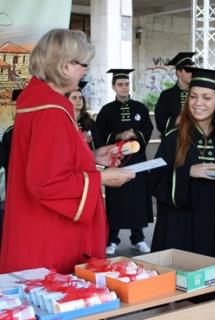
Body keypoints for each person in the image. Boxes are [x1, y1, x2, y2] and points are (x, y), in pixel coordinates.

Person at [0, 29, 135, 274]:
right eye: (83, 64)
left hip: (31, 223)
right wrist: (103, 178)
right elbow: (47, 182)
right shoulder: (53, 108)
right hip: (51, 232)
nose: (85, 71)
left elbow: (44, 159)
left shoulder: (33, 98)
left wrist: (92, 157)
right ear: (64, 66)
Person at [150, 67, 215, 262]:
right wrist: (188, 171)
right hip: (178, 230)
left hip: (214, 230)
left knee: (211, 287)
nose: (198, 103)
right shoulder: (173, 138)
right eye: (193, 97)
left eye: (207, 97)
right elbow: (155, 180)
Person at [95, 69, 154, 255]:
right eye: (120, 84)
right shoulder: (106, 111)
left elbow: (147, 127)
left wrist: (136, 134)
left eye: (126, 84)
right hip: (115, 160)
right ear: (113, 87)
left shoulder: (140, 108)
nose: (123, 87)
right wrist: (118, 135)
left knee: (137, 198)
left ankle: (138, 238)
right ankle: (112, 239)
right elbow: (100, 135)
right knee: (116, 199)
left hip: (137, 159)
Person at [154, 52, 195, 136]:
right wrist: (176, 120)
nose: (192, 73)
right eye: (188, 70)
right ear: (178, 73)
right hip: (173, 141)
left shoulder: (198, 94)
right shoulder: (166, 95)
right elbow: (160, 122)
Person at [66, 82, 97, 150]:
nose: (78, 100)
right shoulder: (63, 122)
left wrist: (91, 140)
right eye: (74, 98)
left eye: (80, 98)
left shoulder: (90, 122)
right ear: (67, 101)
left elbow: (98, 144)